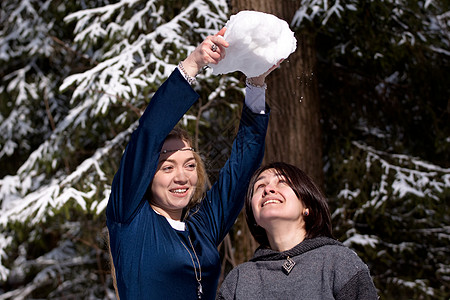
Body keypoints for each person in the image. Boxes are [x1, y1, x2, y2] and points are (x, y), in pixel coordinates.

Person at [106, 27, 281, 299]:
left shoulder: (202, 229)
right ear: (146, 177)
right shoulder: (130, 218)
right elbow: (148, 134)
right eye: (167, 167)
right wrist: (193, 64)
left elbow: (242, 168)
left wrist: (256, 83)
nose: (181, 177)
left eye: (189, 165)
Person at [217, 162, 379, 300]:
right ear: (254, 217)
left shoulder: (338, 262)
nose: (268, 189)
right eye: (260, 186)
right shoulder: (239, 280)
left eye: (282, 182)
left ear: (307, 205)